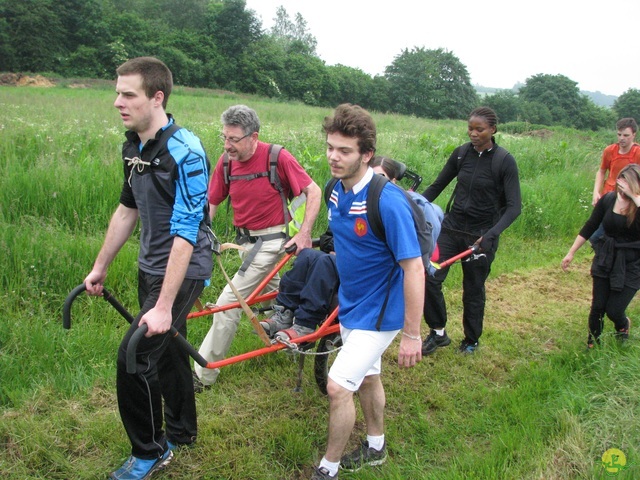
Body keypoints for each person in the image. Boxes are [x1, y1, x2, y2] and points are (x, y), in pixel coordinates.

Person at [83, 57, 212, 479]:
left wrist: (163, 303)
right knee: (171, 350)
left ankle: (150, 451)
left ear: (157, 97)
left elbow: (186, 232)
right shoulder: (133, 146)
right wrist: (100, 266)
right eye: (117, 92)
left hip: (184, 267)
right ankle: (182, 431)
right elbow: (127, 209)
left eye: (128, 94)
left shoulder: (186, 151)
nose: (117, 101)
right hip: (150, 266)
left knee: (135, 355)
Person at [311, 104, 424, 480]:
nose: (333, 156)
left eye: (344, 151)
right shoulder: (333, 191)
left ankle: (328, 469)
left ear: (367, 154)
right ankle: (376, 446)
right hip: (353, 304)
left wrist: (411, 334)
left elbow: (414, 268)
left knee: (338, 386)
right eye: (330, 147)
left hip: (382, 310)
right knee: (368, 377)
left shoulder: (387, 201)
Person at [194, 105, 321, 389]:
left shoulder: (277, 157)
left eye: (234, 140)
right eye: (224, 138)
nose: (227, 145)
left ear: (254, 137)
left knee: (229, 302)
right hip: (245, 243)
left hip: (273, 241)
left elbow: (314, 191)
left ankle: (203, 376)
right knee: (279, 295)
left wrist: (304, 234)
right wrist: (197, 237)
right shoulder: (226, 163)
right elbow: (212, 204)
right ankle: (298, 330)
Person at [260, 155, 425, 343]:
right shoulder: (349, 200)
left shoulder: (388, 205)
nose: (376, 182)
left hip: (368, 270)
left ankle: (306, 322)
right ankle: (284, 311)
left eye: (382, 177)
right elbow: (328, 237)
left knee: (323, 262)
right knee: (307, 255)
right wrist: (339, 246)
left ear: (393, 181)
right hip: (341, 260)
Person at [421, 107, 521, 355]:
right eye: (470, 128)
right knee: (429, 277)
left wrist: (491, 234)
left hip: (481, 235)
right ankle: (438, 332)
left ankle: (471, 340)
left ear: (493, 130)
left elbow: (514, 207)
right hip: (451, 228)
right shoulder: (461, 154)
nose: (473, 133)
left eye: (480, 129)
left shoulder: (504, 161)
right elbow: (437, 186)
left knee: (473, 289)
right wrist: (412, 206)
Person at [562, 163, 640, 348]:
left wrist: (635, 198)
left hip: (632, 263)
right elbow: (590, 226)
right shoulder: (608, 200)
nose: (622, 187)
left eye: (627, 183)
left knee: (614, 310)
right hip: (606, 257)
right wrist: (571, 252)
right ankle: (593, 344)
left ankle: (623, 325)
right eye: (620, 181)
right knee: (598, 306)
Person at [590, 118, 640, 245]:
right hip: (609, 196)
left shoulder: (638, 153)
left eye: (626, 135)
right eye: (619, 134)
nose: (622, 138)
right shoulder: (609, 151)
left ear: (634, 135)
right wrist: (596, 192)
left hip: (627, 198)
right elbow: (601, 171)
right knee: (595, 236)